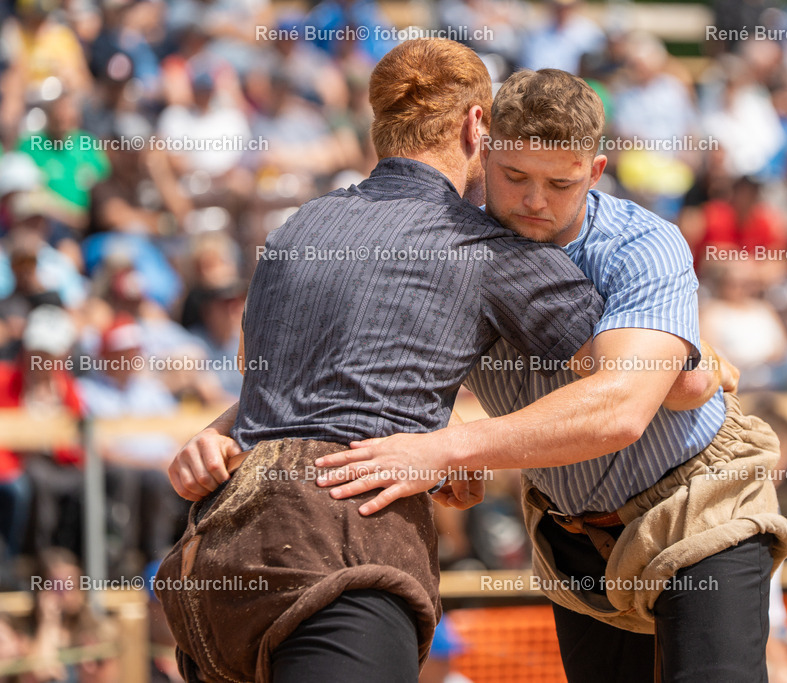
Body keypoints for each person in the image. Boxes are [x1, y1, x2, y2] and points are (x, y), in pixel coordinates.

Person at [161, 41, 732, 683]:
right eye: (514, 174)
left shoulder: (297, 229)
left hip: (217, 559)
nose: (529, 197)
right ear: (476, 128)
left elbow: (291, 383)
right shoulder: (483, 245)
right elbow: (666, 389)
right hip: (346, 543)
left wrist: (217, 432)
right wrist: (693, 350)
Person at [313, 69, 787, 682]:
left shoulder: (641, 244)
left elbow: (621, 409)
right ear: (484, 151)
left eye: (559, 184)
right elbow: (350, 350)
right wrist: (230, 426)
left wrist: (447, 445)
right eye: (514, 177)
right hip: (573, 526)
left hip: (697, 500)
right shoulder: (448, 240)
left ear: (594, 173)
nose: (535, 201)